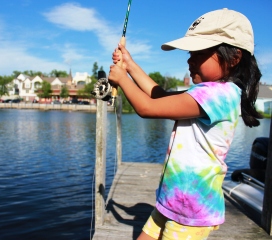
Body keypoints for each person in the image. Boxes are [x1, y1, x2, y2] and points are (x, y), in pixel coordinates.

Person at [108, 8, 262, 240]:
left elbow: (147, 107)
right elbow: (159, 96)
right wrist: (129, 65)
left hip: (191, 211)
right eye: (190, 52)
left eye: (199, 52)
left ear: (234, 57)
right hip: (172, 202)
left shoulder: (221, 95)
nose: (189, 59)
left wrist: (121, 78)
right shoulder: (205, 93)